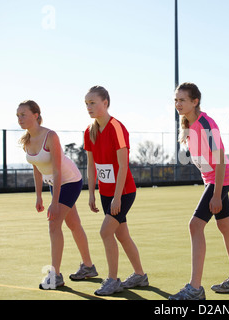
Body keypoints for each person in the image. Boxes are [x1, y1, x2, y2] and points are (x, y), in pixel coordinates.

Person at [169, 82, 229, 300]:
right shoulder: (188, 125)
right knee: (225, 226)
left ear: (195, 101)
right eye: (176, 100)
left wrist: (216, 194)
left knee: (195, 225)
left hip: (220, 179)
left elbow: (221, 160)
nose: (178, 104)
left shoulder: (205, 124)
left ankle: (195, 288)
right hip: (211, 180)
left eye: (182, 100)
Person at [17, 100, 97, 290]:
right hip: (54, 183)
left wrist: (54, 202)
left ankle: (56, 276)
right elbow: (36, 168)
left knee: (54, 224)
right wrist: (39, 196)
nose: (20, 119)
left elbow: (58, 170)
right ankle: (88, 266)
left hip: (69, 181)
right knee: (73, 223)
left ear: (36, 115)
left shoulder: (50, 136)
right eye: (18, 115)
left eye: (23, 114)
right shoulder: (26, 140)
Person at [83, 86, 148, 296]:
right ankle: (140, 274)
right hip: (105, 193)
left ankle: (112, 280)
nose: (89, 107)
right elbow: (91, 165)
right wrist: (92, 192)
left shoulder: (117, 127)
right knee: (122, 235)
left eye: (93, 103)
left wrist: (118, 196)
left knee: (105, 232)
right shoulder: (89, 131)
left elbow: (123, 166)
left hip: (124, 192)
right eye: (86, 104)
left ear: (105, 103)